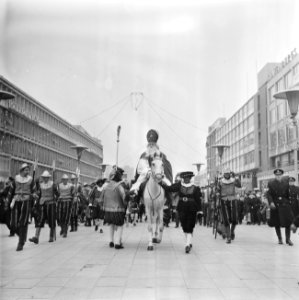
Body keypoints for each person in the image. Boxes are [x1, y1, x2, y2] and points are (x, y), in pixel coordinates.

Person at [160, 171, 202, 254]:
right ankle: (189, 242)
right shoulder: (179, 185)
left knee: (190, 225)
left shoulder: (196, 188)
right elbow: (170, 188)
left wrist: (200, 211)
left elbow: (198, 200)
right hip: (182, 207)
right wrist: (161, 184)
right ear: (183, 178)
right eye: (185, 178)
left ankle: (187, 245)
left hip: (192, 208)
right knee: (184, 225)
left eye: (188, 178)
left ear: (190, 178)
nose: (187, 179)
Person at [130, 129, 173, 196]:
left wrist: (160, 172)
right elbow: (140, 168)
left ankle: (170, 202)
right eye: (150, 144)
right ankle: (135, 202)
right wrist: (147, 171)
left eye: (153, 144)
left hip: (159, 175)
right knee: (136, 188)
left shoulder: (162, 155)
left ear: (156, 144)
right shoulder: (144, 155)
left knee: (169, 185)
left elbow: (166, 168)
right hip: (145, 176)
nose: (151, 145)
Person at [8, 163, 35, 251]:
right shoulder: (15, 179)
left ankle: (20, 243)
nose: (28, 171)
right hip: (16, 201)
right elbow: (11, 191)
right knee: (13, 223)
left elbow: (34, 190)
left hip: (26, 201)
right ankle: (22, 236)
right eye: (26, 170)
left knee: (23, 222)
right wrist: (8, 201)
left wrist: (34, 195)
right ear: (22, 171)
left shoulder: (31, 180)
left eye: (28, 170)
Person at [29, 170, 59, 244]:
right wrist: (35, 195)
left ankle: (51, 236)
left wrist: (56, 198)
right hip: (42, 204)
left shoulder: (53, 184)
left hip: (51, 203)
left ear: (48, 177)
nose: (45, 178)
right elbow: (39, 193)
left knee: (51, 220)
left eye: (46, 177)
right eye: (44, 177)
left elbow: (57, 194)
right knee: (40, 220)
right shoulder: (41, 185)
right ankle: (36, 237)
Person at [102, 167, 127, 249]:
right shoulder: (119, 186)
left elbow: (102, 197)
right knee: (120, 225)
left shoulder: (106, 186)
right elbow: (124, 196)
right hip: (118, 209)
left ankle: (111, 241)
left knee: (111, 224)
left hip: (108, 210)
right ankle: (117, 243)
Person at [267, 169, 294, 246]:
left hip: (285, 205)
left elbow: (288, 194)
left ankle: (288, 239)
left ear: (282, 175)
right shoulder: (271, 183)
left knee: (288, 222)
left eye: (279, 175)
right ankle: (280, 239)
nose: (278, 176)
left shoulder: (286, 183)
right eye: (277, 175)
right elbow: (269, 194)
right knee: (277, 223)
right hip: (275, 205)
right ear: (275, 176)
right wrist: (271, 202)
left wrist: (289, 203)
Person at [217, 168, 241, 244]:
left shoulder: (233, 180)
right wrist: (217, 194)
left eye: (228, 173)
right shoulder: (220, 182)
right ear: (224, 174)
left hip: (232, 200)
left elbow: (239, 186)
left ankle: (232, 231)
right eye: (226, 173)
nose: (227, 175)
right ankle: (228, 236)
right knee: (226, 219)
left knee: (234, 219)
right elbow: (217, 190)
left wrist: (237, 178)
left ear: (230, 174)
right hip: (223, 200)